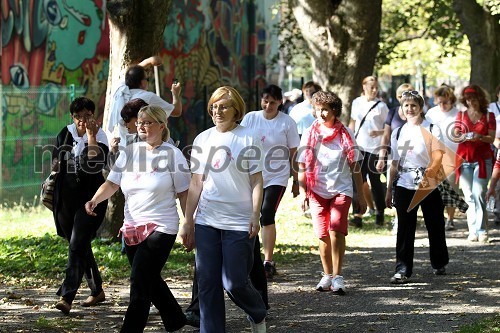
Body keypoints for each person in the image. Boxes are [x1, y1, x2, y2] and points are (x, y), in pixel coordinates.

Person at [85, 105, 190, 332]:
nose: (142, 126)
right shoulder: (130, 151)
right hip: (132, 227)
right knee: (149, 279)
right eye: (140, 122)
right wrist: (94, 200)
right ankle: (175, 318)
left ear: (162, 126)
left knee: (140, 283)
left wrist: (188, 223)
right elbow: (112, 183)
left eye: (148, 122)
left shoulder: (173, 155)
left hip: (162, 226)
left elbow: (184, 193)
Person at [179, 86, 267, 333]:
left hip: (239, 221)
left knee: (234, 282)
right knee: (207, 282)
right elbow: (196, 182)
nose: (217, 111)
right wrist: (188, 220)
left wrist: (254, 214)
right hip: (207, 219)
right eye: (214, 107)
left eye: (224, 106)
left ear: (236, 110)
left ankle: (258, 312)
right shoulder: (203, 139)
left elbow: (257, 181)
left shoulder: (249, 137)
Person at [297, 90, 366, 294]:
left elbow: (355, 165)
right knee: (322, 234)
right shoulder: (310, 134)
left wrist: (360, 195)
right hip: (317, 190)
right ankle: (326, 275)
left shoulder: (346, 134)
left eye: (325, 110)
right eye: (318, 110)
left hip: (341, 189)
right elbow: (302, 165)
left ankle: (338, 276)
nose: (321, 114)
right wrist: (303, 193)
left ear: (334, 110)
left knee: (336, 229)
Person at [52, 97, 109, 314]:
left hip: (91, 200)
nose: (82, 121)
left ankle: (67, 297)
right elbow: (56, 163)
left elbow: (95, 163)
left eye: (87, 116)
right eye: (78, 117)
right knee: (80, 245)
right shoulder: (64, 134)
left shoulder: (101, 135)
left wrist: (91, 137)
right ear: (72, 117)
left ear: (93, 116)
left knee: (76, 244)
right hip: (65, 201)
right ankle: (97, 290)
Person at [385, 90, 449, 284]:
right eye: (406, 106)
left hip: (428, 182)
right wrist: (389, 189)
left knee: (435, 224)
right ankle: (402, 269)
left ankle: (439, 262)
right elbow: (394, 162)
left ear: (421, 108)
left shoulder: (431, 128)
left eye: (413, 105)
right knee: (405, 227)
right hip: (404, 183)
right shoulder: (398, 132)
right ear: (402, 109)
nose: (410, 109)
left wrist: (429, 174)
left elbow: (438, 155)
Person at [241, 84, 301, 279]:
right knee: (250, 214)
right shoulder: (250, 118)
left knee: (267, 213)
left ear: (280, 102)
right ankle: (250, 257)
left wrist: (296, 180)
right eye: (265, 101)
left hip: (278, 175)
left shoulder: (287, 123)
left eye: (273, 102)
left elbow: (294, 153)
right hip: (253, 174)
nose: (268, 106)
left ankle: (268, 260)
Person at [107, 56, 182, 149]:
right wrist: (175, 94)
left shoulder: (120, 90)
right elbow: (176, 111)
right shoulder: (148, 96)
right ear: (142, 82)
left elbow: (131, 74)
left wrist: (148, 61)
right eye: (147, 79)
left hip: (126, 148)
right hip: (142, 149)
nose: (126, 124)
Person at [454, 85, 495, 242]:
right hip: (464, 159)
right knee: (469, 195)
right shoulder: (461, 115)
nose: (472, 102)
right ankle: (473, 231)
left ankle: (482, 229)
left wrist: (479, 136)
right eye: (468, 99)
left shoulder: (488, 116)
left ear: (480, 98)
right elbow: (455, 135)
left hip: (482, 160)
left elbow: (491, 138)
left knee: (478, 193)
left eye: (474, 98)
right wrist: (462, 136)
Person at [349, 76, 389, 227]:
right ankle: (357, 215)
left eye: (376, 87)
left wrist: (379, 133)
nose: (374, 90)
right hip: (359, 146)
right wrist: (349, 143)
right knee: (357, 182)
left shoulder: (381, 106)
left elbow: (388, 128)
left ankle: (380, 213)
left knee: (375, 181)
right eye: (371, 87)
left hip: (375, 148)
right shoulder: (356, 103)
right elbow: (353, 123)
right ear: (364, 86)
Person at [425, 85, 460, 231]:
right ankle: (437, 217)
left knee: (451, 189)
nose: (442, 105)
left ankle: (450, 219)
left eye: (445, 102)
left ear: (451, 100)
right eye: (439, 102)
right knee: (435, 190)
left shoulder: (458, 114)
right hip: (434, 157)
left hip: (453, 157)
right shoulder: (431, 113)